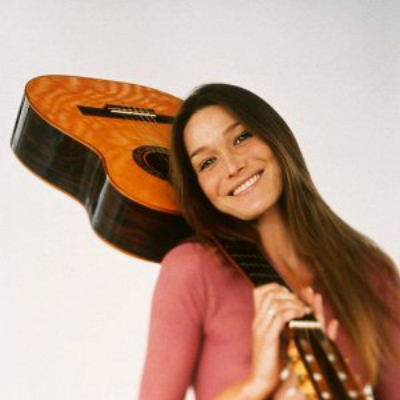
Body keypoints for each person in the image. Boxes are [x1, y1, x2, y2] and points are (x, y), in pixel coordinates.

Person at [139, 84, 400, 399]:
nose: (233, 166)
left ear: (274, 137)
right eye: (207, 162)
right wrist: (257, 385)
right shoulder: (191, 269)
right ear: (198, 188)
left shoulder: (370, 271)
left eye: (241, 138)